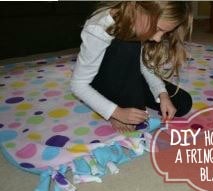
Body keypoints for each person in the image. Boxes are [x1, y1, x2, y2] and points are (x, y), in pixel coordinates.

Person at [70, 2, 193, 132]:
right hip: (102, 82)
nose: (158, 39)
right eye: (158, 29)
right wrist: (116, 112)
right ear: (137, 8)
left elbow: (143, 65)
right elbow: (78, 84)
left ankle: (134, 100)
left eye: (164, 33)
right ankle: (115, 102)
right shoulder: (98, 28)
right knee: (128, 46)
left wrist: (162, 94)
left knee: (183, 102)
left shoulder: (138, 20)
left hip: (127, 75)